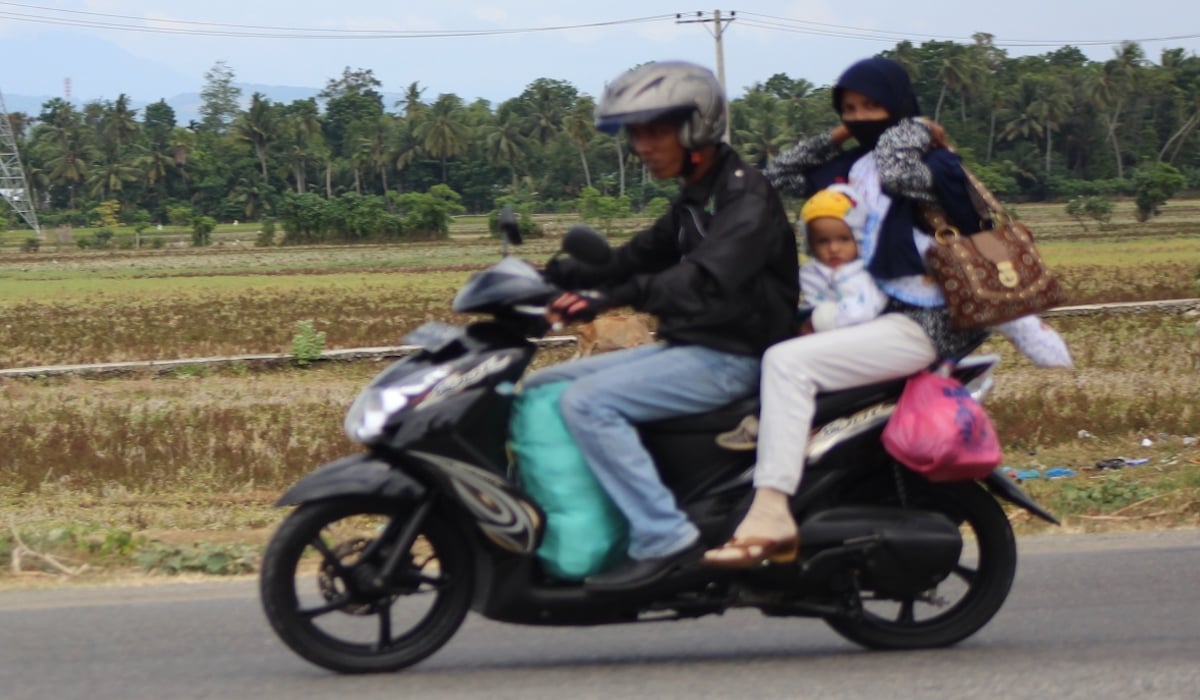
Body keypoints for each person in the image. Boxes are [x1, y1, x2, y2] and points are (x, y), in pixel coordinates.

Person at [703, 56, 990, 568]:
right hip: (861, 314)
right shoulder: (847, 170)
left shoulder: (936, 167)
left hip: (920, 324)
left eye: (871, 106)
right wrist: (834, 136)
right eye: (849, 109)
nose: (860, 118)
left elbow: (897, 173)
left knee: (787, 364)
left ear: (900, 107)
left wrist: (911, 130)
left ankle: (770, 511)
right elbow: (771, 177)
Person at [528, 60, 800, 590]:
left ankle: (664, 537)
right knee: (544, 384)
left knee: (587, 402)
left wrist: (607, 300)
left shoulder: (745, 198)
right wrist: (550, 275)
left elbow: (703, 279)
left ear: (696, 127)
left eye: (654, 132)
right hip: (692, 346)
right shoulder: (696, 196)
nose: (642, 147)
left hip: (734, 356)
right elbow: (634, 257)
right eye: (635, 135)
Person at [716, 183, 887, 451]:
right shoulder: (815, 273)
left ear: (860, 238)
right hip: (828, 335)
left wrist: (818, 321)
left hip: (855, 342)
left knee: (795, 366)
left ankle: (784, 425)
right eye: (823, 241)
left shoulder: (864, 275)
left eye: (843, 239)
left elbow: (862, 312)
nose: (833, 249)